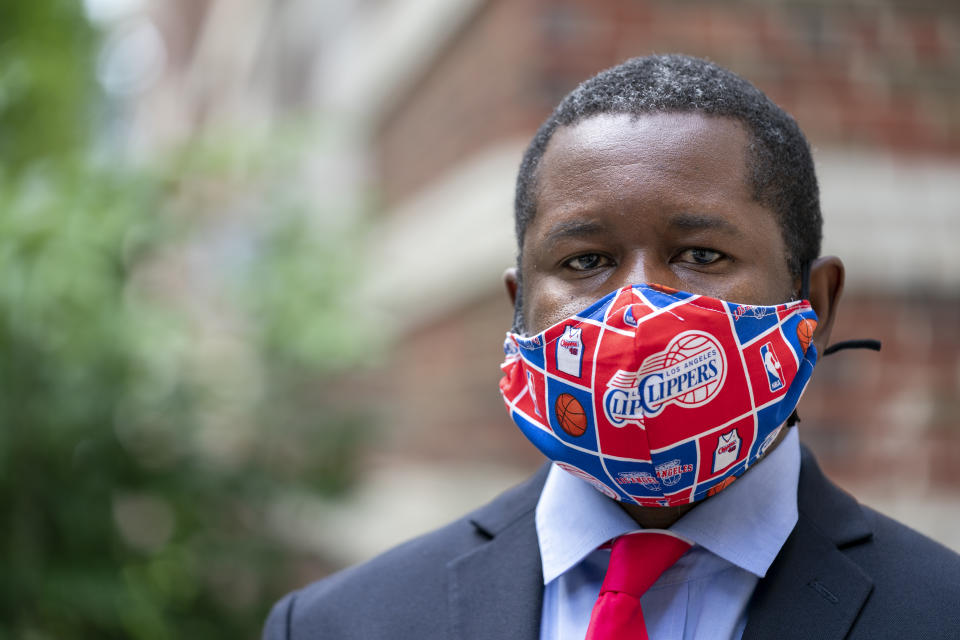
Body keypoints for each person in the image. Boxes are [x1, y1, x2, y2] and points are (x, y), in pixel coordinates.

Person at [263, 55, 960, 639]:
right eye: (584, 261)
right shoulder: (338, 625)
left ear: (817, 305)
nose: (636, 312)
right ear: (519, 308)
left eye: (700, 254)